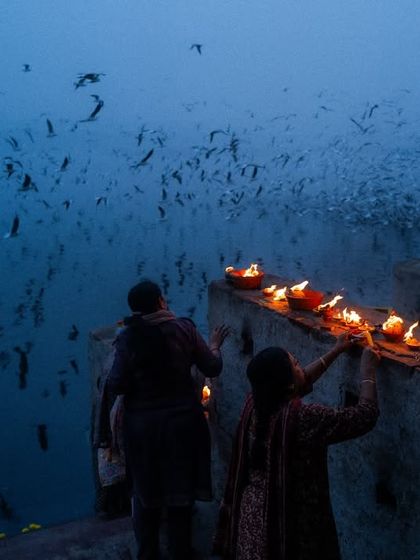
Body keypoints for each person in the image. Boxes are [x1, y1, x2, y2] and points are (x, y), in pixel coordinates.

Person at [213, 334, 380, 560]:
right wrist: (368, 373)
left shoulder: (255, 402)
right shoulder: (303, 419)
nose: (301, 365)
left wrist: (336, 350)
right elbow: (364, 417)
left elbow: (300, 382)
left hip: (250, 517)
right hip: (283, 524)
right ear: (288, 384)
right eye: (296, 364)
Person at [106, 279, 229, 560]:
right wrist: (215, 345)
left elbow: (116, 384)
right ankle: (180, 552)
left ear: (135, 310)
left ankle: (148, 553)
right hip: (183, 425)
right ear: (161, 301)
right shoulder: (183, 329)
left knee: (147, 494)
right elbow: (212, 366)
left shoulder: (127, 339)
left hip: (143, 430)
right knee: (180, 494)